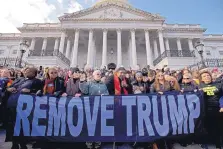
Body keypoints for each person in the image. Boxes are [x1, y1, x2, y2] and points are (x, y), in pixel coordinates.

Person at [6, 67, 43, 149]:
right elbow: (7, 88)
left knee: (22, 125)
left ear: (34, 73)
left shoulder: (37, 81)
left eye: (29, 71)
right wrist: (9, 89)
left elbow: (40, 92)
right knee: (12, 124)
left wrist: (30, 91)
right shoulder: (19, 79)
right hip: (12, 103)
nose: (27, 72)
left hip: (25, 106)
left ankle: (23, 144)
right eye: (26, 70)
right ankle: (14, 143)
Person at [199, 71, 223, 149]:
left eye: (208, 75)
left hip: (218, 109)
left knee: (220, 127)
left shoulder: (218, 84)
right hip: (206, 110)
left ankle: (219, 144)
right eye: (204, 76)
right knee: (210, 128)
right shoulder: (199, 86)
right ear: (201, 79)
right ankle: (214, 144)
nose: (207, 77)